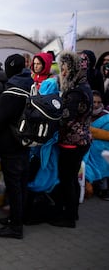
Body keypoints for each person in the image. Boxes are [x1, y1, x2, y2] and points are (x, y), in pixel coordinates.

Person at [0, 54, 34, 239]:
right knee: (22, 182)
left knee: (13, 184)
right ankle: (18, 218)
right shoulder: (30, 86)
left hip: (11, 143)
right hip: (25, 141)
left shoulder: (11, 92)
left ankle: (16, 227)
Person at [48, 51, 93, 228]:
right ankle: (71, 213)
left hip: (72, 142)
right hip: (81, 140)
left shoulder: (75, 92)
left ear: (72, 69)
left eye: (65, 68)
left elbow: (66, 119)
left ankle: (68, 217)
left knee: (67, 179)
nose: (62, 72)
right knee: (71, 178)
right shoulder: (84, 86)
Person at [84, 90, 109, 200]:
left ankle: (102, 186)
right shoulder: (83, 114)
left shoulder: (106, 117)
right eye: (94, 102)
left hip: (101, 148)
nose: (96, 105)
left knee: (100, 150)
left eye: (99, 102)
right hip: (85, 145)